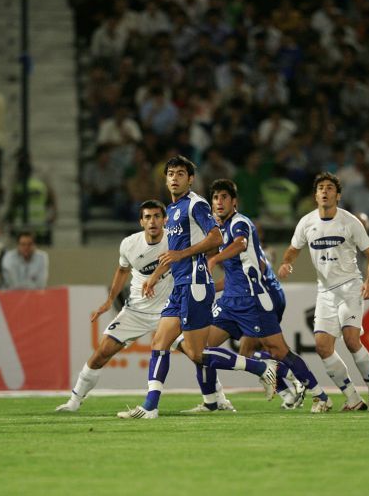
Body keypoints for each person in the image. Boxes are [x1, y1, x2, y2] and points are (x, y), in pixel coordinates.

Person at [117, 156, 276, 419]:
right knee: (160, 342)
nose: (174, 178)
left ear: (190, 179)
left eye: (181, 173)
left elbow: (216, 237)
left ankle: (261, 368)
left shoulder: (196, 204)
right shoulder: (172, 209)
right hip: (179, 286)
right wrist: (155, 275)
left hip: (195, 284)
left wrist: (182, 255)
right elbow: (172, 253)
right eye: (171, 173)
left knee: (197, 353)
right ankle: (150, 407)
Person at [183, 179, 332, 414]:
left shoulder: (240, 223)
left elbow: (241, 244)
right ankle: (213, 402)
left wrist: (214, 259)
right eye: (215, 198)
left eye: (224, 197)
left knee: (279, 350)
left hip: (252, 301)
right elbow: (234, 274)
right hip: (229, 303)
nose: (219, 202)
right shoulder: (219, 230)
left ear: (234, 202)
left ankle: (320, 395)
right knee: (200, 350)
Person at [278, 172, 369, 411]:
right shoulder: (306, 222)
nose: (324, 191)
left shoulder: (350, 222)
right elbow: (293, 249)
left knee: (351, 340)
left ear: (338, 195)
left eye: (329, 188)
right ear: (315, 195)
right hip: (325, 292)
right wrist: (286, 263)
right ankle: (352, 398)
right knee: (322, 347)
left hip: (350, 287)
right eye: (320, 188)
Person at [55, 200, 173, 412]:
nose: (152, 221)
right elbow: (122, 270)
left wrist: (155, 277)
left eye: (157, 216)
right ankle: (73, 401)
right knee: (102, 352)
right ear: (141, 221)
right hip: (136, 311)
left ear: (165, 220)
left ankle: (215, 398)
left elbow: (178, 260)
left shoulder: (174, 240)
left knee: (195, 352)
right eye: (147, 217)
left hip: (169, 311)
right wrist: (110, 300)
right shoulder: (129, 244)